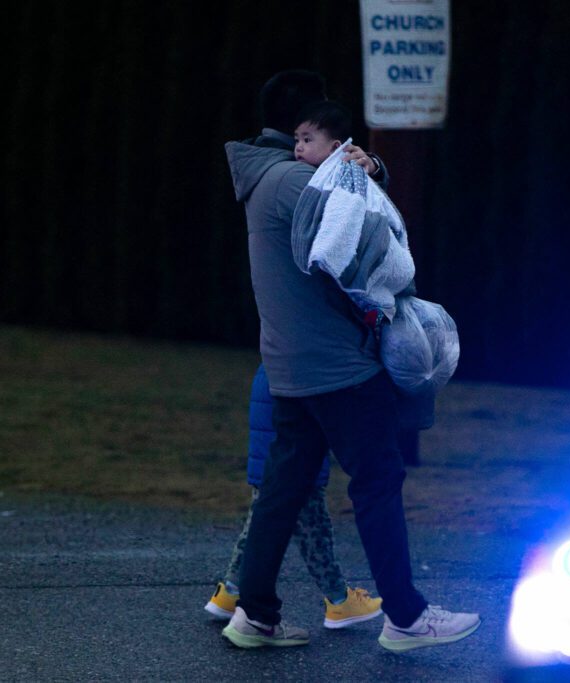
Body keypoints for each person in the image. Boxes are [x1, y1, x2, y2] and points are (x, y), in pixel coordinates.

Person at [221, 69, 479, 651]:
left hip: (290, 366)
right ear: (298, 130)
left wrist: (365, 168)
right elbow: (366, 235)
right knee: (379, 479)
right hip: (336, 366)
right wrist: (365, 171)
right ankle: (407, 619)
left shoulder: (270, 176)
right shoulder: (295, 183)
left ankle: (255, 614)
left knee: (283, 490)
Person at [204, 366, 383, 629]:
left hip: (272, 432)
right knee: (313, 526)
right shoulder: (301, 358)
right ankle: (339, 599)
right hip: (293, 438)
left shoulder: (278, 348)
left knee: (260, 520)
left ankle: (230, 592)